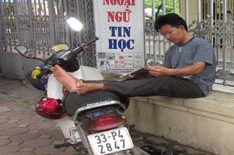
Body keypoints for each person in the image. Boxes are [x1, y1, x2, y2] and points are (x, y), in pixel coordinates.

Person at [54, 13, 216, 99]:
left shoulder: (201, 44)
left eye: (169, 32)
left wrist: (165, 72)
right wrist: (151, 72)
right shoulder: (172, 51)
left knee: (163, 80)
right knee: (139, 78)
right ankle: (83, 84)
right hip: (175, 82)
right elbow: (167, 72)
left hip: (197, 87)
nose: (167, 37)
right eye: (164, 34)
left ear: (181, 27)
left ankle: (99, 86)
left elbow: (196, 69)